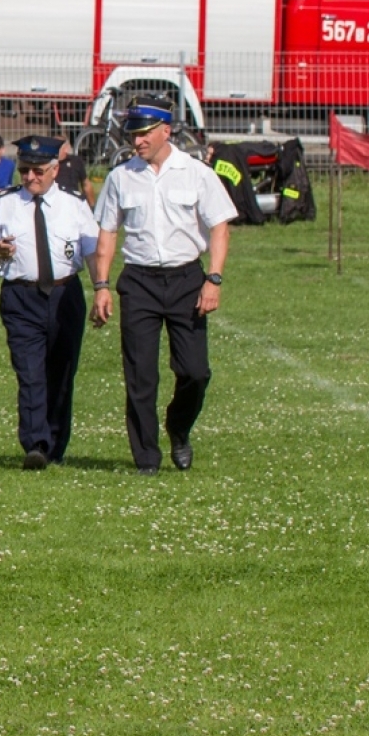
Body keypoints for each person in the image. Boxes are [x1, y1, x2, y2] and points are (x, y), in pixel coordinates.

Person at [89, 96, 236, 475]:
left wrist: (214, 279)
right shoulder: (121, 177)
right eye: (132, 134)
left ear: (166, 131)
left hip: (187, 279)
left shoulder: (196, 172)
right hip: (139, 282)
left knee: (195, 371)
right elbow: (106, 232)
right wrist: (102, 286)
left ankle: (179, 427)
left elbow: (219, 225)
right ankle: (147, 458)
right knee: (141, 376)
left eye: (143, 134)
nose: (136, 141)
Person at [0, 137, 101, 467]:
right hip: (21, 297)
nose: (30, 177)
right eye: (25, 170)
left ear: (55, 170)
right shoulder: (4, 205)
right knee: (29, 372)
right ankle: (36, 444)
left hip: (64, 296)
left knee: (61, 372)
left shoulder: (74, 205)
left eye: (38, 171)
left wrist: (102, 287)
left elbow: (91, 252)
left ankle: (56, 444)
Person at [54, 138, 94, 203]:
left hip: (74, 199)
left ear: (66, 149)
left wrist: (92, 207)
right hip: (56, 200)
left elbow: (86, 184)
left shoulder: (76, 161)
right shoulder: (48, 164)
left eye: (57, 148)